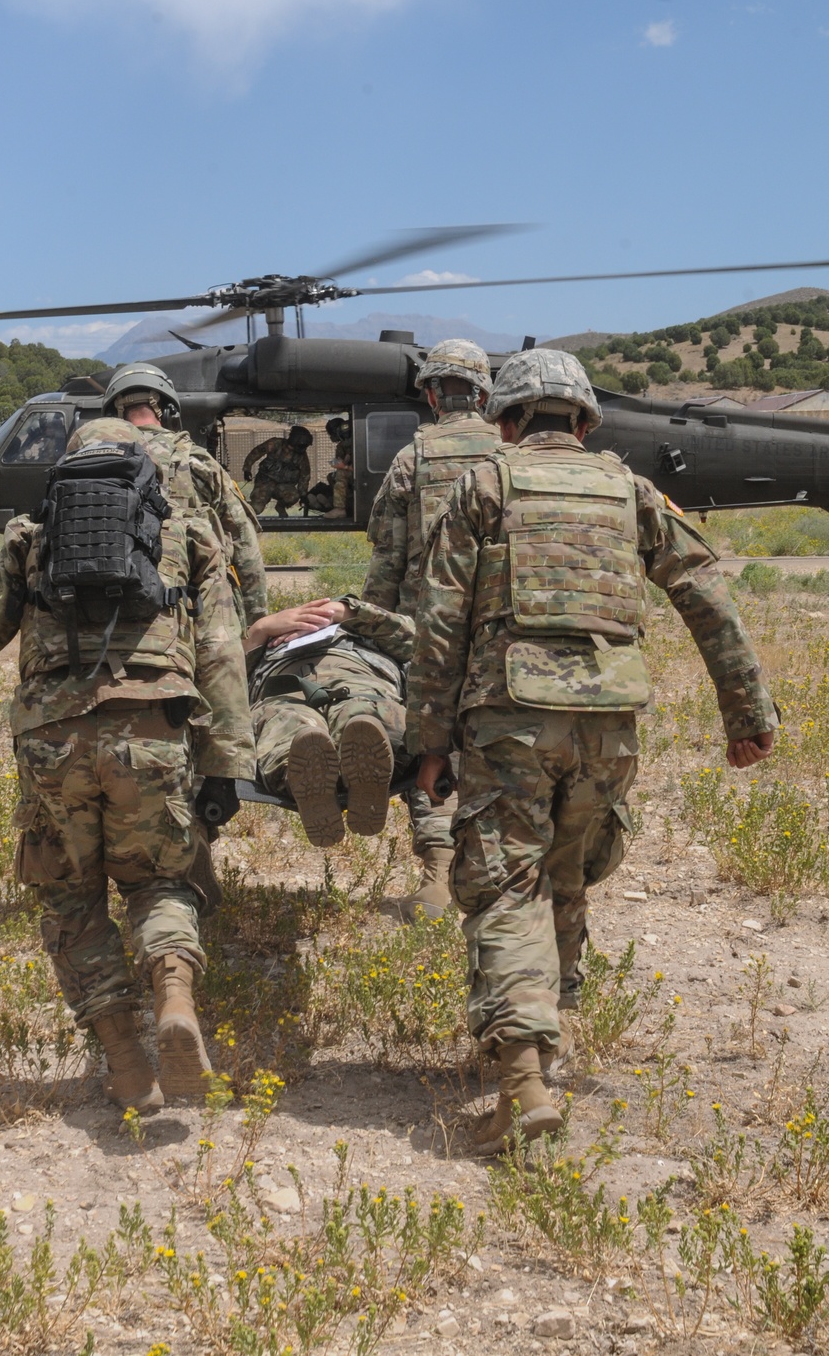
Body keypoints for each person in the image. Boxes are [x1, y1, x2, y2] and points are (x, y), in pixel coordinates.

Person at [407, 348, 778, 1156]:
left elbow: (438, 627)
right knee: (565, 872)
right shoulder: (631, 490)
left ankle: (522, 1079)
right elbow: (705, 591)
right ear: (582, 421)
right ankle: (546, 1030)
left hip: (510, 720)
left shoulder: (485, 486)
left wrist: (428, 742)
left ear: (507, 421)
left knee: (507, 884)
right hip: (610, 723)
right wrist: (746, 710)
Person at [0, 443, 255, 1111]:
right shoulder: (187, 535)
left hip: (52, 741)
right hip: (154, 734)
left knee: (70, 900)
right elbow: (221, 650)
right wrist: (227, 763)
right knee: (161, 880)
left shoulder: (29, 538)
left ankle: (127, 1064)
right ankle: (175, 997)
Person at [362, 339, 500, 920]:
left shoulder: (411, 459)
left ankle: (438, 876)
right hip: (499, 629)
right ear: (485, 394)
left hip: (428, 629)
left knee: (431, 741)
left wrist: (373, 627)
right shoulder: (510, 452)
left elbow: (387, 557)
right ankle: (497, 869)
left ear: (430, 394)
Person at [86, 363, 268, 628]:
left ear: (114, 414)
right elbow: (243, 544)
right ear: (169, 410)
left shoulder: (88, 463)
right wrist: (257, 621)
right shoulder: (197, 462)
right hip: (187, 613)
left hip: (100, 617)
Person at [245, 597, 413, 845]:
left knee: (362, 717)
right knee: (292, 726)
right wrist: (261, 628)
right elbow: (223, 669)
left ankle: (353, 770)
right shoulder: (270, 636)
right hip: (284, 684)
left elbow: (417, 639)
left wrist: (347, 610)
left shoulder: (361, 628)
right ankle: (312, 778)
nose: (308, 616)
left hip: (357, 674)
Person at [243, 425, 313, 518]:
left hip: (284, 486)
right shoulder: (275, 444)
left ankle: (280, 507)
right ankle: (238, 513)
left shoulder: (301, 456)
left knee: (293, 496)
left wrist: (303, 495)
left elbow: (305, 476)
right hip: (265, 482)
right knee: (256, 508)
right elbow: (256, 453)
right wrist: (247, 469)